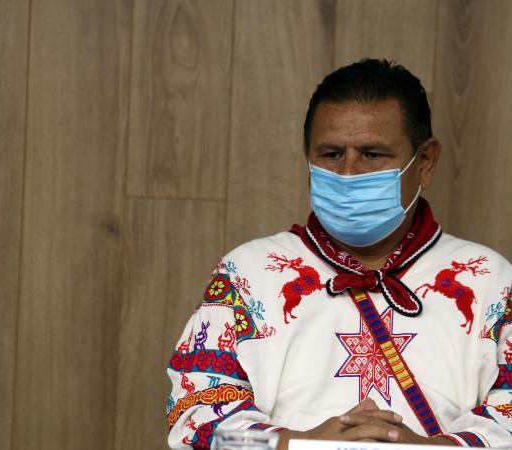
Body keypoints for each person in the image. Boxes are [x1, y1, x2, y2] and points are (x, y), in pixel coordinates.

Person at [166, 59, 512, 449]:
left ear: (426, 163)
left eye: (372, 154)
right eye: (331, 154)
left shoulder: (492, 281)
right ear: (307, 155)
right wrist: (298, 444)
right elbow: (193, 417)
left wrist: (430, 449)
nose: (348, 173)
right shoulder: (246, 274)